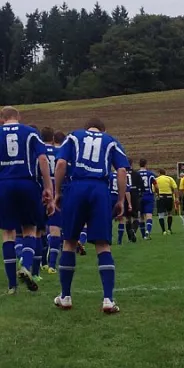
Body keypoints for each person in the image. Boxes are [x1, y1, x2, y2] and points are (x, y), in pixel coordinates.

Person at [54, 117, 129, 313]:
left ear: (86, 128)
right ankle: (108, 299)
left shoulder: (73, 136)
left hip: (76, 187)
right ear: (103, 130)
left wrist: (57, 192)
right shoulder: (111, 140)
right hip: (99, 189)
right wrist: (120, 200)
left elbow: (61, 163)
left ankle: (65, 296)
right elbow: (121, 170)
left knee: (69, 241)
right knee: (103, 245)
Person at [0, 106, 54, 294]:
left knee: (8, 233)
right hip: (27, 183)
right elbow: (43, 159)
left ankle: (12, 286)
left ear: (2, 119)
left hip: (4, 184)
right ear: (19, 117)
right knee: (30, 229)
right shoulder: (30, 132)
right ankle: (27, 266)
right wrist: (48, 187)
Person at [40, 126, 62, 275]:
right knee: (55, 228)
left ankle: (40, 261)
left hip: (41, 189)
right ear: (53, 139)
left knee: (37, 229)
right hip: (56, 189)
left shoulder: (38, 153)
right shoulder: (60, 152)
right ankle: (52, 265)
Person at [138, 159, 159, 240]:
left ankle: (143, 235)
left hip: (139, 196)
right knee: (149, 215)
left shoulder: (136, 174)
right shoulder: (150, 174)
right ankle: (148, 232)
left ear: (139, 165)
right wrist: (157, 193)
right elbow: (156, 186)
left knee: (141, 216)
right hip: (149, 196)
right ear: (146, 164)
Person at [109, 170, 131, 244]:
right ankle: (119, 240)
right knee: (121, 219)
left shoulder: (110, 175)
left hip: (110, 198)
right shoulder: (122, 177)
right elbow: (127, 191)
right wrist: (129, 203)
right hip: (119, 199)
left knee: (109, 219)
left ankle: (109, 237)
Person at [156, 168, 179, 235]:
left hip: (160, 197)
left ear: (159, 173)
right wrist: (177, 198)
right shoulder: (169, 178)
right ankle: (169, 229)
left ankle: (163, 231)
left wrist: (157, 194)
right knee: (169, 213)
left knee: (161, 214)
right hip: (169, 197)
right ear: (165, 173)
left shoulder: (156, 179)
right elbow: (175, 188)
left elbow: (154, 188)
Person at [124, 157, 142, 242]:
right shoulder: (136, 174)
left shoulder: (122, 174)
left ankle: (129, 237)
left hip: (125, 196)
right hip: (134, 195)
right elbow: (141, 186)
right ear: (131, 164)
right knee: (136, 217)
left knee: (127, 218)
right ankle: (133, 231)